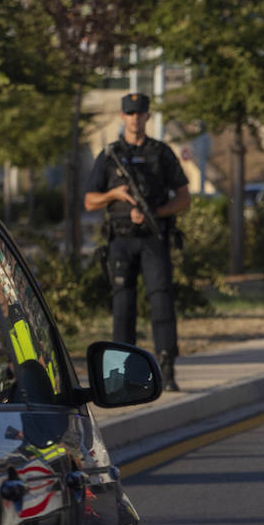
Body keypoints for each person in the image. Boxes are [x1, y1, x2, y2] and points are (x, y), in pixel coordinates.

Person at [84, 93, 191, 390]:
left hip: (153, 238)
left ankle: (167, 369)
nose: (134, 118)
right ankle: (121, 379)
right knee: (123, 308)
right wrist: (115, 195)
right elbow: (90, 201)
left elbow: (184, 198)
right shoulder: (110, 155)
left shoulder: (161, 153)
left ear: (147, 116)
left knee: (161, 302)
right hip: (120, 240)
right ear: (122, 116)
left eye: (139, 113)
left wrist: (156, 212)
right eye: (129, 113)